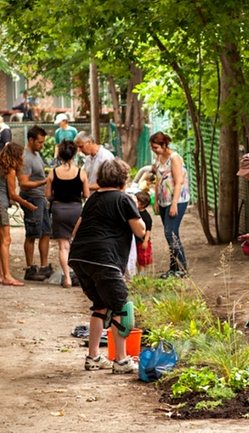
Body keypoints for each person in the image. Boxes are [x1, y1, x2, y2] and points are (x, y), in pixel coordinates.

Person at [69, 158, 145, 374]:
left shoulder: (92, 199)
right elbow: (140, 231)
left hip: (79, 257)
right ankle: (121, 360)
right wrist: (134, 208)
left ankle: (93, 357)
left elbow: (75, 231)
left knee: (100, 305)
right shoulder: (123, 199)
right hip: (105, 259)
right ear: (123, 179)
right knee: (121, 307)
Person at [0, 143, 38, 286]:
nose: (22, 157)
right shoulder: (10, 171)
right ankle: (7, 276)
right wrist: (26, 204)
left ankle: (0, 275)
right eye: (21, 154)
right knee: (6, 240)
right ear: (15, 155)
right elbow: (12, 194)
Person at [45, 140, 90, 288]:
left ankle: (67, 278)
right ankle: (79, 275)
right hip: (76, 210)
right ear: (74, 154)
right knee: (77, 243)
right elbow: (86, 194)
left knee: (63, 246)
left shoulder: (53, 173)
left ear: (60, 156)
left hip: (59, 210)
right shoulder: (81, 172)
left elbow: (48, 195)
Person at [149, 132, 190, 279]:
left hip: (177, 200)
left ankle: (183, 268)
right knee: (170, 235)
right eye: (152, 147)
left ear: (164, 145)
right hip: (163, 200)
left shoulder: (175, 158)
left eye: (156, 147)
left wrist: (174, 204)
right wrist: (156, 200)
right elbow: (158, 180)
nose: (154, 150)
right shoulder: (158, 157)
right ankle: (173, 268)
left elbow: (179, 182)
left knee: (170, 233)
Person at [19, 126, 53, 281]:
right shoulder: (26, 158)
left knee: (46, 232)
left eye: (43, 142)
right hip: (32, 198)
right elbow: (24, 184)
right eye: (39, 142)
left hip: (40, 198)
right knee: (32, 234)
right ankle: (30, 268)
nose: (42, 145)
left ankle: (44, 266)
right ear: (31, 140)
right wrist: (44, 182)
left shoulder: (36, 154)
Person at [134, 191, 153, 275]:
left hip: (142, 240)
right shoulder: (133, 212)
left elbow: (148, 229)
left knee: (142, 258)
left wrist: (145, 241)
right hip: (134, 239)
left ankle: (142, 274)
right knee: (136, 257)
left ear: (143, 204)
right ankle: (138, 273)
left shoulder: (146, 216)